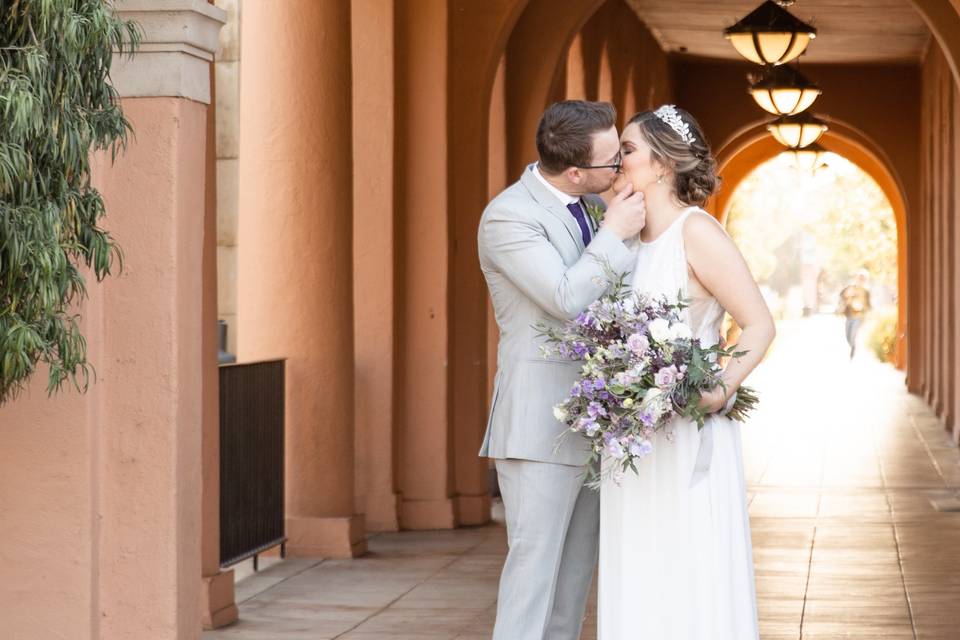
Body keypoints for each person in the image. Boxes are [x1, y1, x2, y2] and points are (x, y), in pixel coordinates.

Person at [598, 105, 775, 639]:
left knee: (688, 559)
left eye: (627, 151)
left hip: (686, 433)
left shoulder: (695, 232)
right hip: (632, 439)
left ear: (662, 165)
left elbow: (760, 325)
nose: (615, 160)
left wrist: (716, 392)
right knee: (638, 562)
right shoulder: (624, 240)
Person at [477, 100, 646, 640]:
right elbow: (566, 297)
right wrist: (616, 231)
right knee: (533, 581)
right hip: (537, 428)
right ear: (575, 172)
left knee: (572, 585)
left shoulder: (590, 205)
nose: (620, 167)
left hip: (594, 423)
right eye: (612, 161)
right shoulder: (509, 217)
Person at [838, 270, 872, 358]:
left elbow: (869, 305)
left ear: (865, 280)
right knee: (847, 336)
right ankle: (852, 346)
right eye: (859, 278)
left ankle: (853, 348)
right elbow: (842, 295)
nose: (861, 280)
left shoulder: (866, 292)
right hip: (849, 315)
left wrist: (864, 308)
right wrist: (848, 296)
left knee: (853, 335)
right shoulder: (850, 288)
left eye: (863, 279)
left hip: (859, 317)